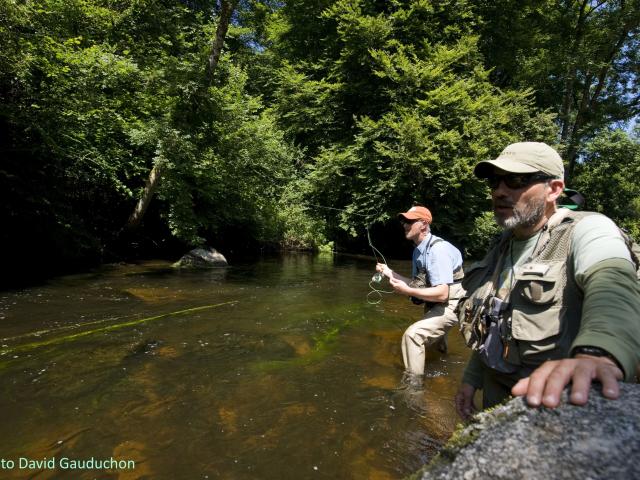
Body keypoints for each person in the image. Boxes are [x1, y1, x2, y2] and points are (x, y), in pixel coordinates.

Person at [454, 141, 640, 421]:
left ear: (554, 189)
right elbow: (494, 320)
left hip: (549, 405)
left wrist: (597, 355)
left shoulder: (589, 229)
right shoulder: (502, 245)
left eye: (516, 181)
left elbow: (613, 283)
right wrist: (471, 380)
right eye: (495, 182)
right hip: (495, 394)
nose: (500, 191)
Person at [376, 205, 464, 381]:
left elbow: (442, 293)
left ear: (423, 224)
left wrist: (407, 291)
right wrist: (388, 272)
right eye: (403, 221)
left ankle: (413, 387)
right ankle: (442, 374)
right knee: (435, 346)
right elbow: (419, 285)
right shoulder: (418, 250)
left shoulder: (437, 251)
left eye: (410, 221)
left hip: (452, 304)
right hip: (436, 302)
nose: (405, 225)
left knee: (413, 336)